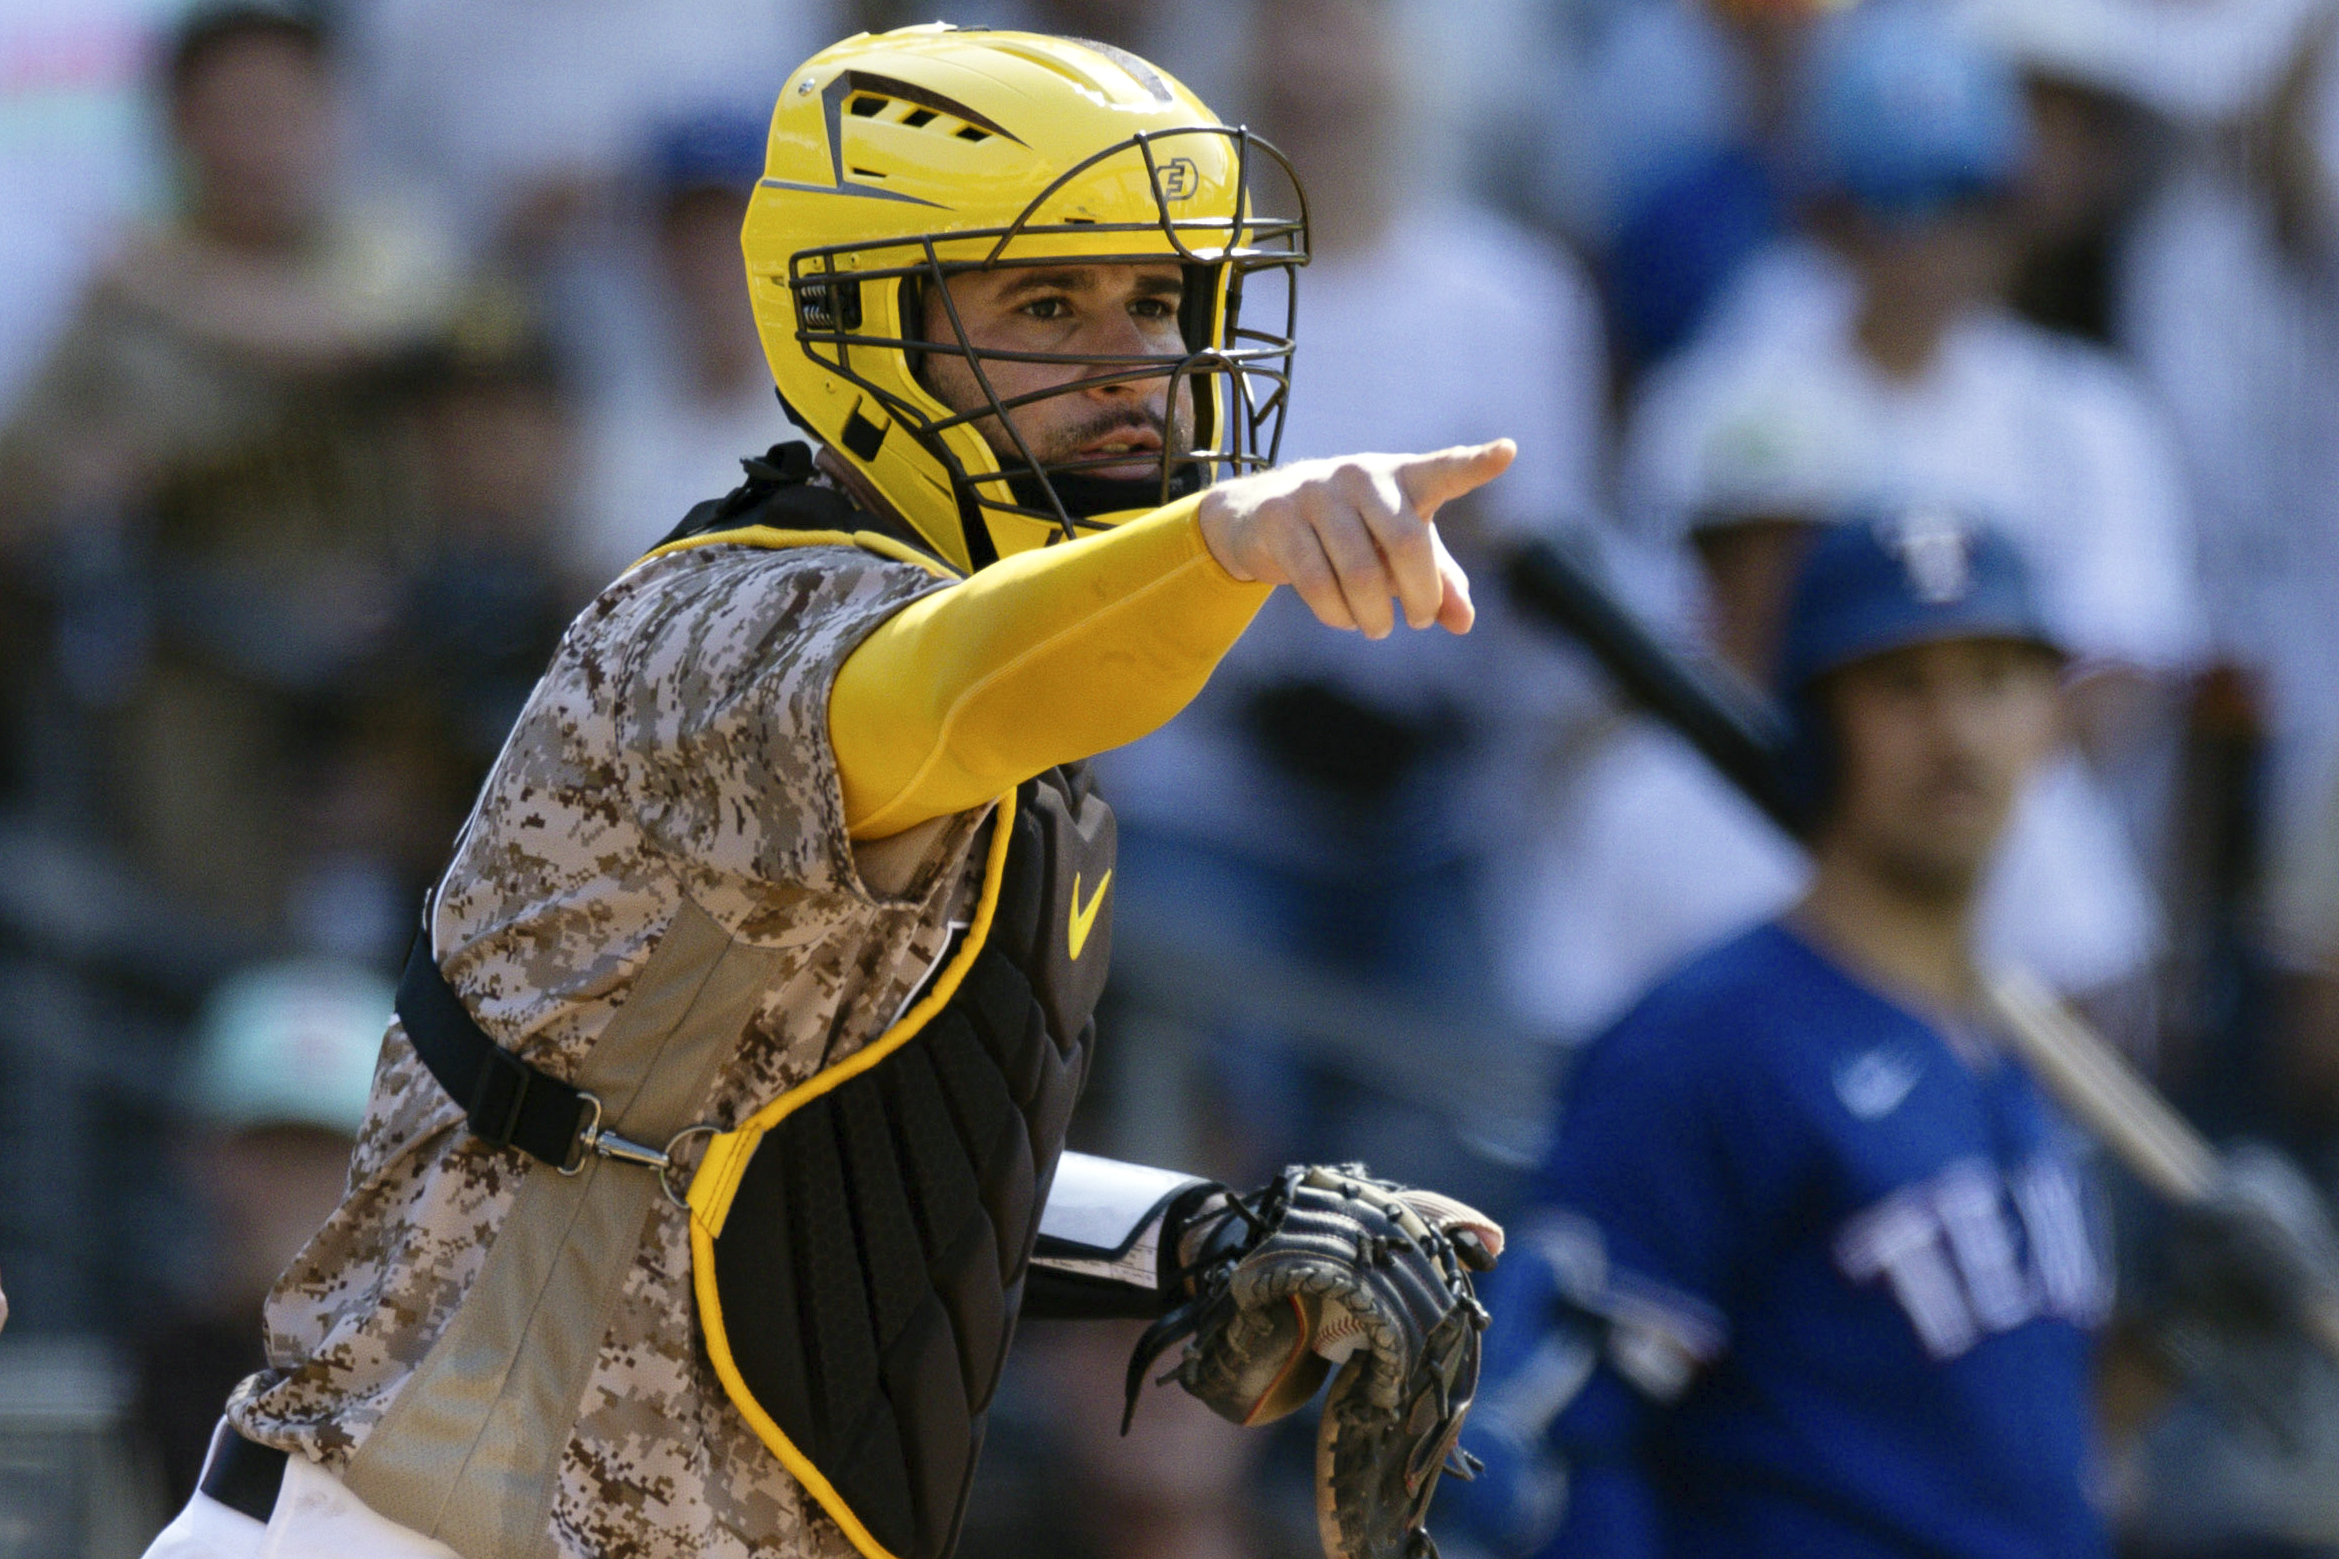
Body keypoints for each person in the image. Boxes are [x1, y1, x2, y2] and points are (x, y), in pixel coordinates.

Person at [141, 26, 1500, 1559]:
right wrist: (1225, 543)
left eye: (1158, 300)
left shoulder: (1016, 718)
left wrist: (1184, 1237)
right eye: (1045, 303)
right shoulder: (731, 625)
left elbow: (773, 1161)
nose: (1135, 369)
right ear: (855, 325)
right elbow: (951, 677)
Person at [1453, 511, 2112, 1558]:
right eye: (1902, 687)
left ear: (2045, 720)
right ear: (1818, 717)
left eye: (1992, 681)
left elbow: (1984, 1455)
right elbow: (1551, 1445)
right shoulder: (1707, 1045)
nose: (1956, 734)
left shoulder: (2003, 1043)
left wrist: (2161, 1345)